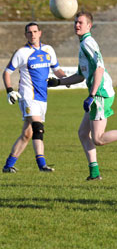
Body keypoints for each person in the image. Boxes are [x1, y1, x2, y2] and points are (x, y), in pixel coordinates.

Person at [47, 11, 117, 180]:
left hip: (100, 94)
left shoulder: (88, 43)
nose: (77, 25)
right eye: (75, 22)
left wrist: (92, 95)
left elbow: (99, 69)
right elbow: (80, 75)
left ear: (89, 26)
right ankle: (94, 174)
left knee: (99, 138)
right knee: (83, 134)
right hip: (98, 93)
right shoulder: (83, 44)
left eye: (80, 22)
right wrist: (59, 82)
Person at [2, 22, 66, 173]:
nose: (32, 34)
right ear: (25, 35)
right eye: (29, 32)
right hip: (27, 96)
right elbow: (6, 72)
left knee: (27, 134)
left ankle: (8, 165)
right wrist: (10, 90)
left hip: (42, 98)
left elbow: (57, 70)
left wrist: (66, 79)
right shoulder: (22, 52)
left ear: (40, 33)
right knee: (38, 128)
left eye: (35, 31)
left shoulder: (48, 50)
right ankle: (42, 165)